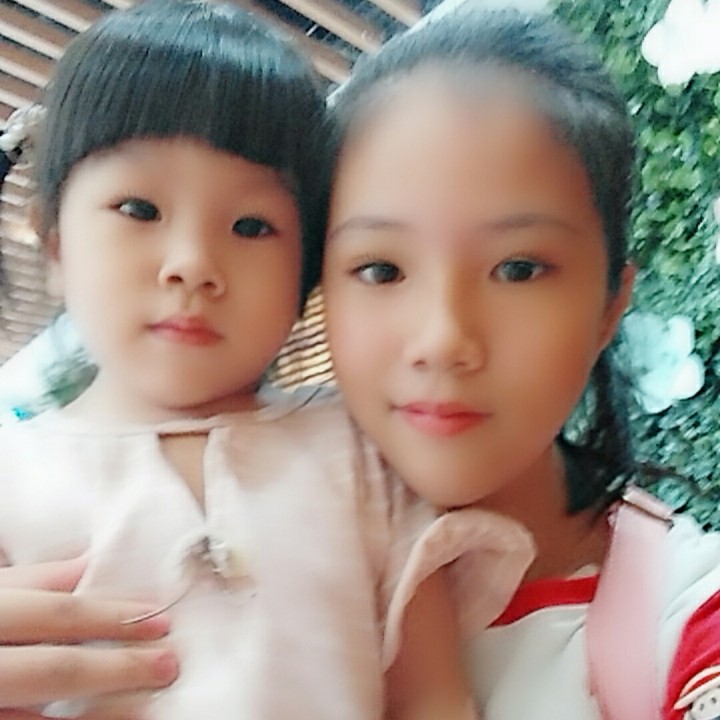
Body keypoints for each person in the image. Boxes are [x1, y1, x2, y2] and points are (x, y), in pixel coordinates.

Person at [0, 1, 498, 718]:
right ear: (54, 244)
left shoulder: (363, 454)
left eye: (252, 225)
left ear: (306, 276)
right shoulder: (11, 478)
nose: (194, 263)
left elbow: (434, 699)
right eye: (139, 209)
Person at [321, 8, 720, 720]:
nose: (444, 338)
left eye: (519, 268)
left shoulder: (688, 621)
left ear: (610, 303)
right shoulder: (196, 572)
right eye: (381, 269)